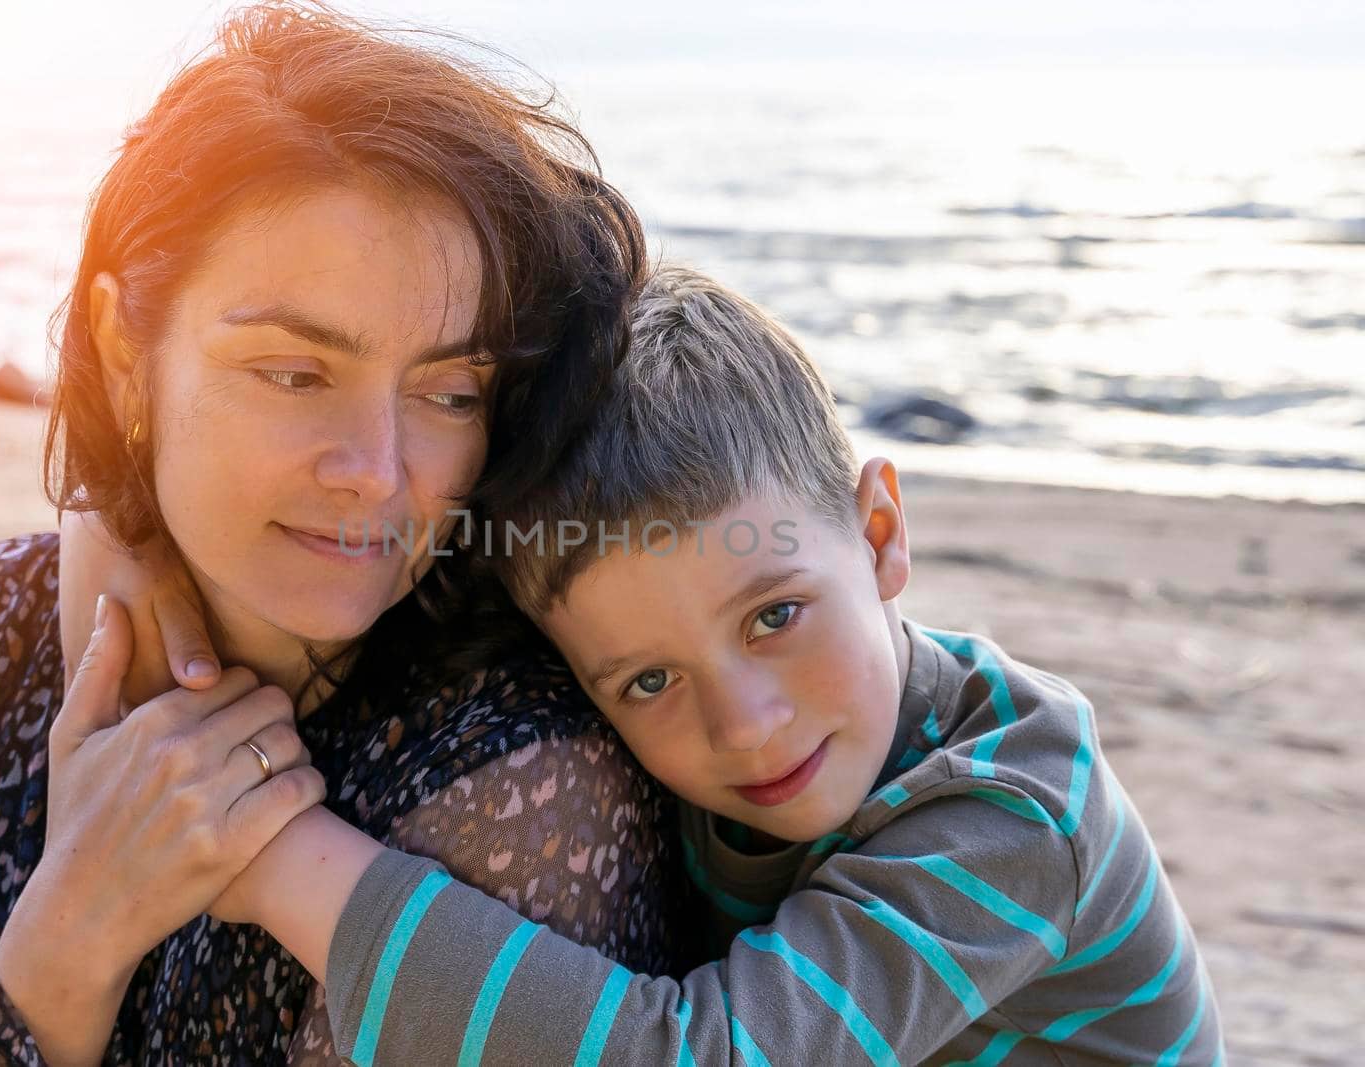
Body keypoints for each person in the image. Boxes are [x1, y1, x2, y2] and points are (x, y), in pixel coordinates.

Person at [0, 6, 678, 1065]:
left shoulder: (518, 772)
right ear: (128, 352)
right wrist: (69, 938)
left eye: (449, 391)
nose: (378, 470)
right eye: (296, 373)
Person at [140, 267, 1225, 1064]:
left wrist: (278, 856)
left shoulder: (1017, 812)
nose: (746, 723)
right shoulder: (639, 661)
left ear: (881, 534)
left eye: (776, 615)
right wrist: (128, 539)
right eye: (648, 680)